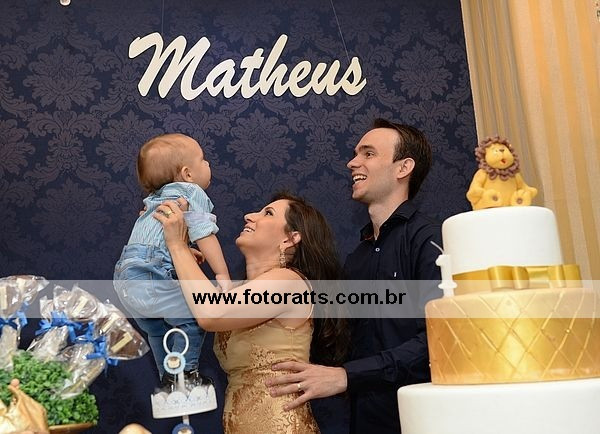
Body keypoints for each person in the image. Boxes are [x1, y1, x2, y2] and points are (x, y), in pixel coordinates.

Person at [265, 119, 442, 433]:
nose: (352, 162)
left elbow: (438, 341)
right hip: (365, 420)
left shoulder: (429, 240)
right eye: (356, 153)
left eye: (368, 154)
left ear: (403, 168)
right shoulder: (358, 257)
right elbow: (338, 338)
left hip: (422, 419)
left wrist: (347, 376)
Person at [154, 192, 348, 433]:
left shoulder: (290, 282)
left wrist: (177, 245)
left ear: (290, 238)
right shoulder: (238, 292)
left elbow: (211, 313)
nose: (249, 216)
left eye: (268, 213)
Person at [113, 133, 231, 390]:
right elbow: (204, 234)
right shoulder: (191, 192)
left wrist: (184, 251)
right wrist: (222, 274)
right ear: (188, 173)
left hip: (125, 273)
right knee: (194, 316)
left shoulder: (156, 198)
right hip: (150, 270)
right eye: (203, 159)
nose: (208, 164)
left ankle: (168, 381)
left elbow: (157, 238)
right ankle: (184, 374)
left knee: (158, 329)